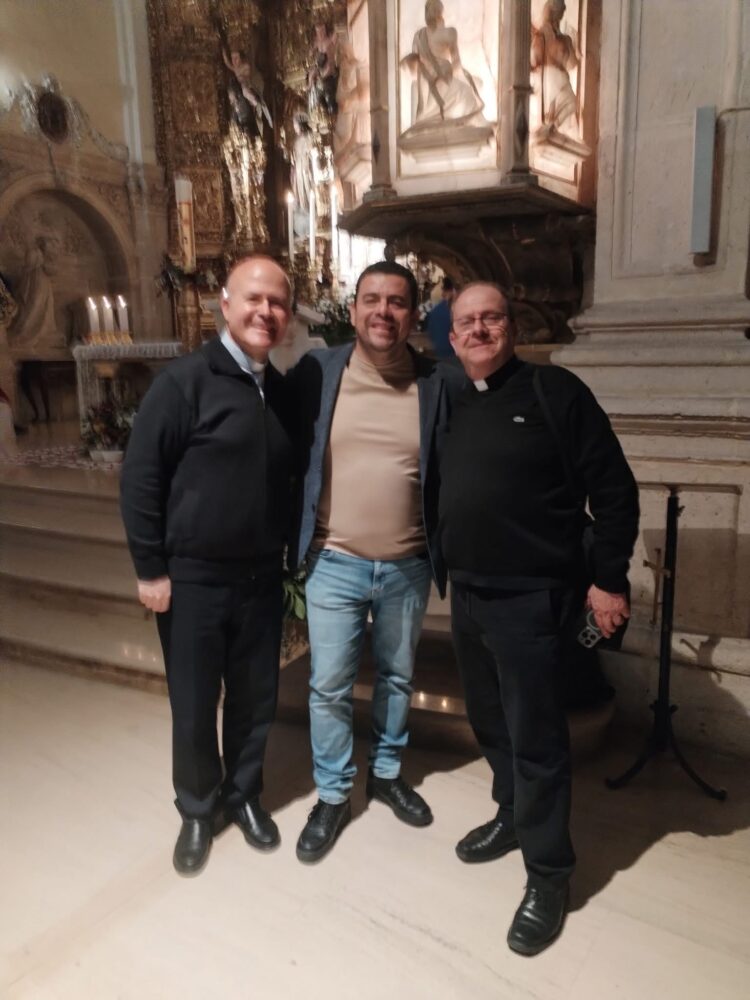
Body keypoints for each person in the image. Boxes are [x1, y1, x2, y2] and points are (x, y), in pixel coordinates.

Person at [438, 282, 639, 955]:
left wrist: (609, 580)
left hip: (531, 599)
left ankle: (549, 874)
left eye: (490, 318)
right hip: (468, 595)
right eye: (467, 321)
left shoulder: (556, 392)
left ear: (512, 327)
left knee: (537, 740)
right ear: (452, 336)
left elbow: (614, 488)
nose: (478, 329)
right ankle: (511, 815)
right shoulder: (452, 398)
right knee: (491, 724)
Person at [120, 255, 294, 876]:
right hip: (192, 577)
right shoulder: (184, 382)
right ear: (225, 304)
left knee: (255, 697)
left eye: (277, 302)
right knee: (194, 702)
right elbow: (141, 477)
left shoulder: (280, 390)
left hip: (260, 577)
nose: (265, 312)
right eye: (253, 299)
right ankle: (197, 807)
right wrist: (150, 569)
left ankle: (243, 795)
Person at [287, 261, 458, 863]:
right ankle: (334, 793)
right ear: (354, 308)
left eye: (397, 302)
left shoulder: (438, 382)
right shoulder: (318, 371)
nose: (383, 311)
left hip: (408, 564)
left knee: (397, 677)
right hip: (334, 560)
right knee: (328, 685)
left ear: (414, 315)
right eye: (372, 300)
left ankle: (385, 773)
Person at [401, 0, 485, 134]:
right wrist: (466, 77)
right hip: (440, 78)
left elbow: (417, 66)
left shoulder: (421, 35)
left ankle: (426, 120)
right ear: (440, 13)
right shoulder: (446, 33)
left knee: (469, 89)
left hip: (432, 80)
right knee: (468, 92)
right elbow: (456, 64)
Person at [530, 0, 579, 135]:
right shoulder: (542, 37)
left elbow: (572, 64)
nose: (562, 14)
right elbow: (534, 60)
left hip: (554, 81)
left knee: (570, 104)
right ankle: (551, 127)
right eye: (561, 11)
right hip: (550, 81)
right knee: (568, 104)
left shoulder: (562, 39)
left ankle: (552, 127)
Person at [425, 276, 456, 358]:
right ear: (453, 290)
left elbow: (431, 334)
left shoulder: (436, 311)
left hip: (441, 356)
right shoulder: (455, 310)